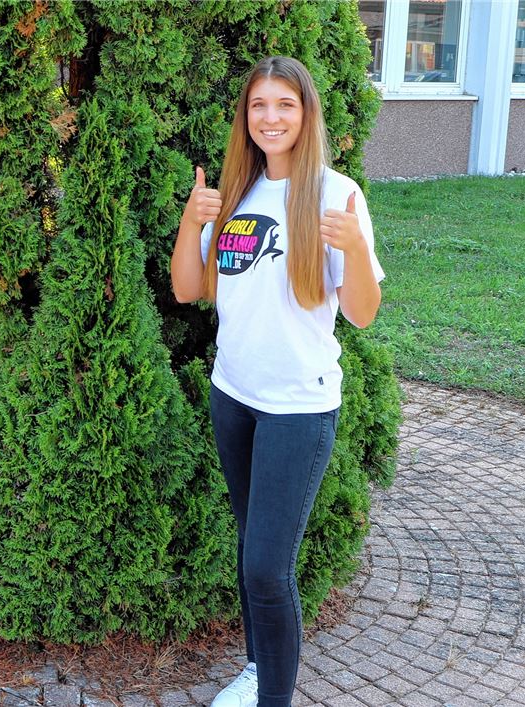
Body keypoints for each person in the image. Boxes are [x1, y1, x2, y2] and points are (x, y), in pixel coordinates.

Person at [170, 56, 383, 707]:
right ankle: (260, 669)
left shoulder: (336, 194)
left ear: (305, 113)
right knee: (249, 550)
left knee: (267, 565)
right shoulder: (234, 192)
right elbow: (188, 288)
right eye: (259, 105)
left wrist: (351, 247)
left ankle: (274, 697)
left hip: (299, 406)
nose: (271, 117)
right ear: (246, 116)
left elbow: (363, 313)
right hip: (234, 395)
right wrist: (192, 222)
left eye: (284, 105)